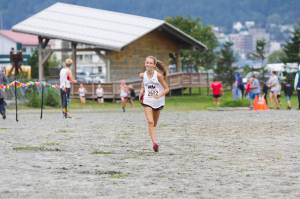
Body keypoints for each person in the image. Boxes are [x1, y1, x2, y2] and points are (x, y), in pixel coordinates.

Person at [139, 56, 169, 152]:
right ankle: (154, 143)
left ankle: (153, 136)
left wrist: (159, 95)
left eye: (150, 63)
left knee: (154, 123)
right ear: (145, 64)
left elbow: (167, 89)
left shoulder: (159, 76)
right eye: (147, 62)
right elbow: (143, 85)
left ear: (154, 65)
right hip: (147, 100)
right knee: (150, 122)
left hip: (158, 101)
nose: (148, 64)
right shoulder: (143, 75)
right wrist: (141, 91)